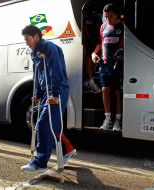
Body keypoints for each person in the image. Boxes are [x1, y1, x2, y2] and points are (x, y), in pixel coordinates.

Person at [21, 25, 76, 173]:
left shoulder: (49, 47)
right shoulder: (34, 52)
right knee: (53, 125)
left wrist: (55, 93)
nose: (26, 42)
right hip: (46, 92)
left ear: (37, 36)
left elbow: (55, 70)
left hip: (57, 90)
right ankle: (67, 149)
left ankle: (39, 163)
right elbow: (37, 74)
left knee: (44, 124)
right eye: (25, 40)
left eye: (28, 39)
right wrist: (38, 95)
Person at [91, 3, 124, 131]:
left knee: (117, 92)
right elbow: (101, 43)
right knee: (105, 90)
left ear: (117, 15)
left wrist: (121, 55)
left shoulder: (122, 27)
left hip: (117, 64)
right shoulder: (103, 27)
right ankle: (108, 119)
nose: (108, 19)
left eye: (111, 16)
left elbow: (124, 44)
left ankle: (118, 121)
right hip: (104, 64)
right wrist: (94, 53)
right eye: (106, 17)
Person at [83, 15, 102, 93]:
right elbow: (85, 29)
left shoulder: (99, 20)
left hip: (96, 40)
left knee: (93, 59)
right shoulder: (89, 20)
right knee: (89, 58)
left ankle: (89, 82)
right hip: (90, 41)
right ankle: (90, 82)